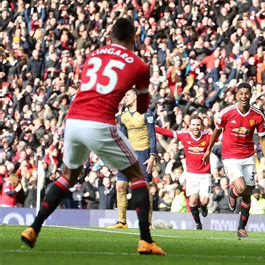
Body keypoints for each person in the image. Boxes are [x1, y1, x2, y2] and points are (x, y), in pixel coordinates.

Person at [20, 18, 165, 255]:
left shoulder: (94, 55)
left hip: (74, 120)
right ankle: (146, 240)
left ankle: (33, 228)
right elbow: (141, 108)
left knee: (68, 176)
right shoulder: (139, 65)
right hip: (99, 122)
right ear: (134, 38)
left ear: (110, 35)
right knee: (138, 176)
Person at [203, 82, 265, 238]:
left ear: (251, 94)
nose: (244, 96)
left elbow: (263, 140)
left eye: (247, 93)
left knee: (248, 193)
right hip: (230, 156)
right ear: (236, 95)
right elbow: (216, 131)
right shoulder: (226, 113)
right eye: (241, 93)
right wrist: (209, 149)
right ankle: (233, 191)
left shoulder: (257, 115)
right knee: (241, 188)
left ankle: (241, 228)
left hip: (248, 156)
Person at [108, 88, 157, 229]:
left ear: (136, 97)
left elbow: (152, 136)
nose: (125, 97)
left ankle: (147, 223)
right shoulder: (123, 116)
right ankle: (122, 221)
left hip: (143, 153)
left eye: (128, 94)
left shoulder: (146, 114)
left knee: (144, 189)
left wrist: (152, 155)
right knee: (120, 185)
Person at [155, 115, 212, 230]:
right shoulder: (185, 135)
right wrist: (152, 126)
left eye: (198, 125)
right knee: (192, 201)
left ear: (202, 126)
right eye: (193, 124)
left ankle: (204, 207)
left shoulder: (208, 136)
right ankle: (198, 224)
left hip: (205, 174)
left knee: (204, 201)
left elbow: (222, 133)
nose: (196, 127)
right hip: (191, 174)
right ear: (189, 126)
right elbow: (168, 133)